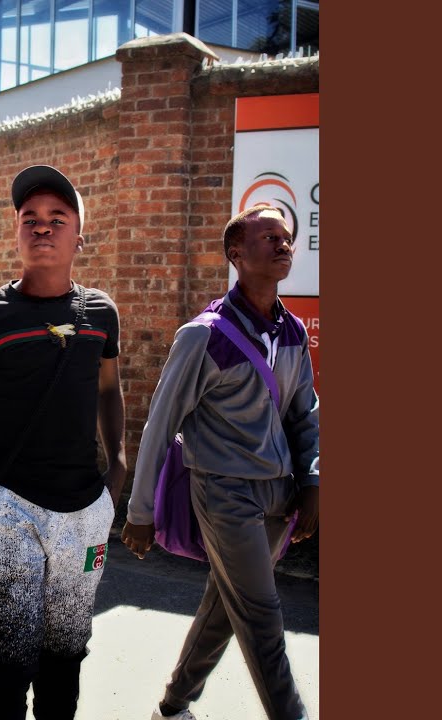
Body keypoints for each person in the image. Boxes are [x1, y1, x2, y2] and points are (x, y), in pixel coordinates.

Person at [0, 165, 127, 720]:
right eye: (30, 218)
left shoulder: (101, 313)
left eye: (57, 218)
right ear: (16, 232)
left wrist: (117, 466)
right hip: (9, 507)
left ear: (79, 238)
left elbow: (109, 389)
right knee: (8, 659)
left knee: (66, 653)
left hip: (85, 512)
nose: (42, 227)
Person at [121, 204, 319, 720]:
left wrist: (313, 482)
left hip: (279, 495)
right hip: (224, 493)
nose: (283, 244)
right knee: (261, 617)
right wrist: (140, 512)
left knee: (223, 611)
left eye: (286, 237)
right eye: (269, 237)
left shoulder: (294, 333)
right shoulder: (204, 335)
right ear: (236, 253)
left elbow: (304, 414)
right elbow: (160, 424)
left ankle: (172, 707)